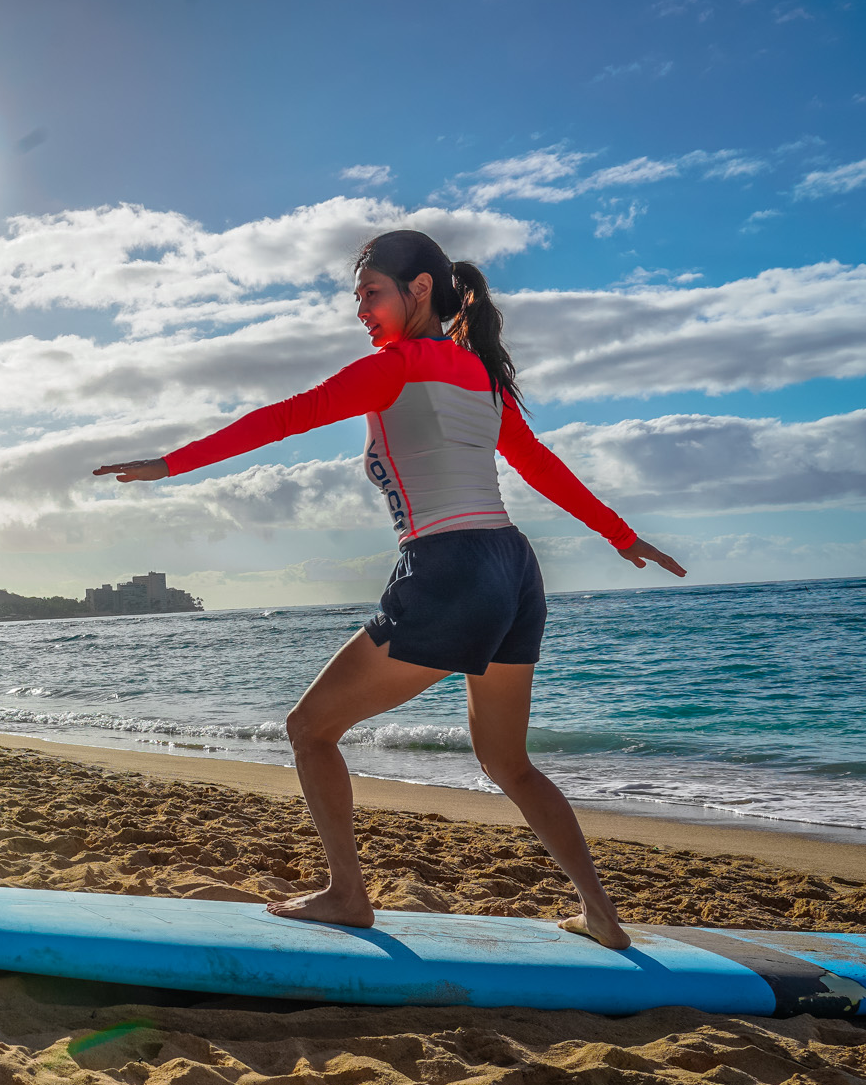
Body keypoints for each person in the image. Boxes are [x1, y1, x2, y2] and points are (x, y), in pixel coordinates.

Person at [94, 229, 686, 951]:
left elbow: (285, 418)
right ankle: (601, 913)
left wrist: (170, 464)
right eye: (358, 299)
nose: (362, 311)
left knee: (308, 729)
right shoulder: (483, 378)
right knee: (508, 762)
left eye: (371, 293)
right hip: (512, 567)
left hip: (449, 567)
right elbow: (541, 467)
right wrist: (621, 536)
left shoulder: (396, 367)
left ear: (421, 291)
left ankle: (348, 894)